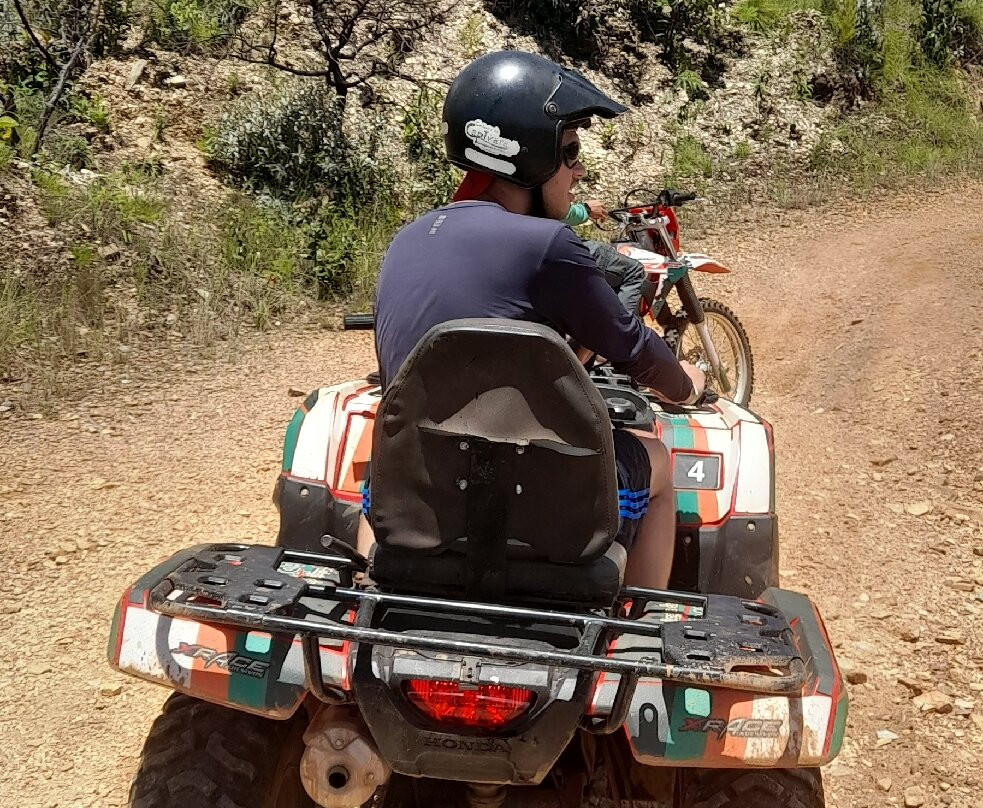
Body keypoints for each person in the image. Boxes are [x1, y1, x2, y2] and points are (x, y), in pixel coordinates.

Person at [366, 50, 705, 589]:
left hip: (418, 498)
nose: (579, 171)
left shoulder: (405, 241)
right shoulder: (549, 244)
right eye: (569, 153)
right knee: (658, 461)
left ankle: (377, 593)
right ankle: (645, 624)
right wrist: (686, 385)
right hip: (545, 506)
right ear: (529, 158)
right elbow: (633, 346)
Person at [565, 200, 647, 318]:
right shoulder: (544, 186)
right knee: (633, 270)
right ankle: (623, 332)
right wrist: (585, 209)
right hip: (563, 248)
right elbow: (556, 212)